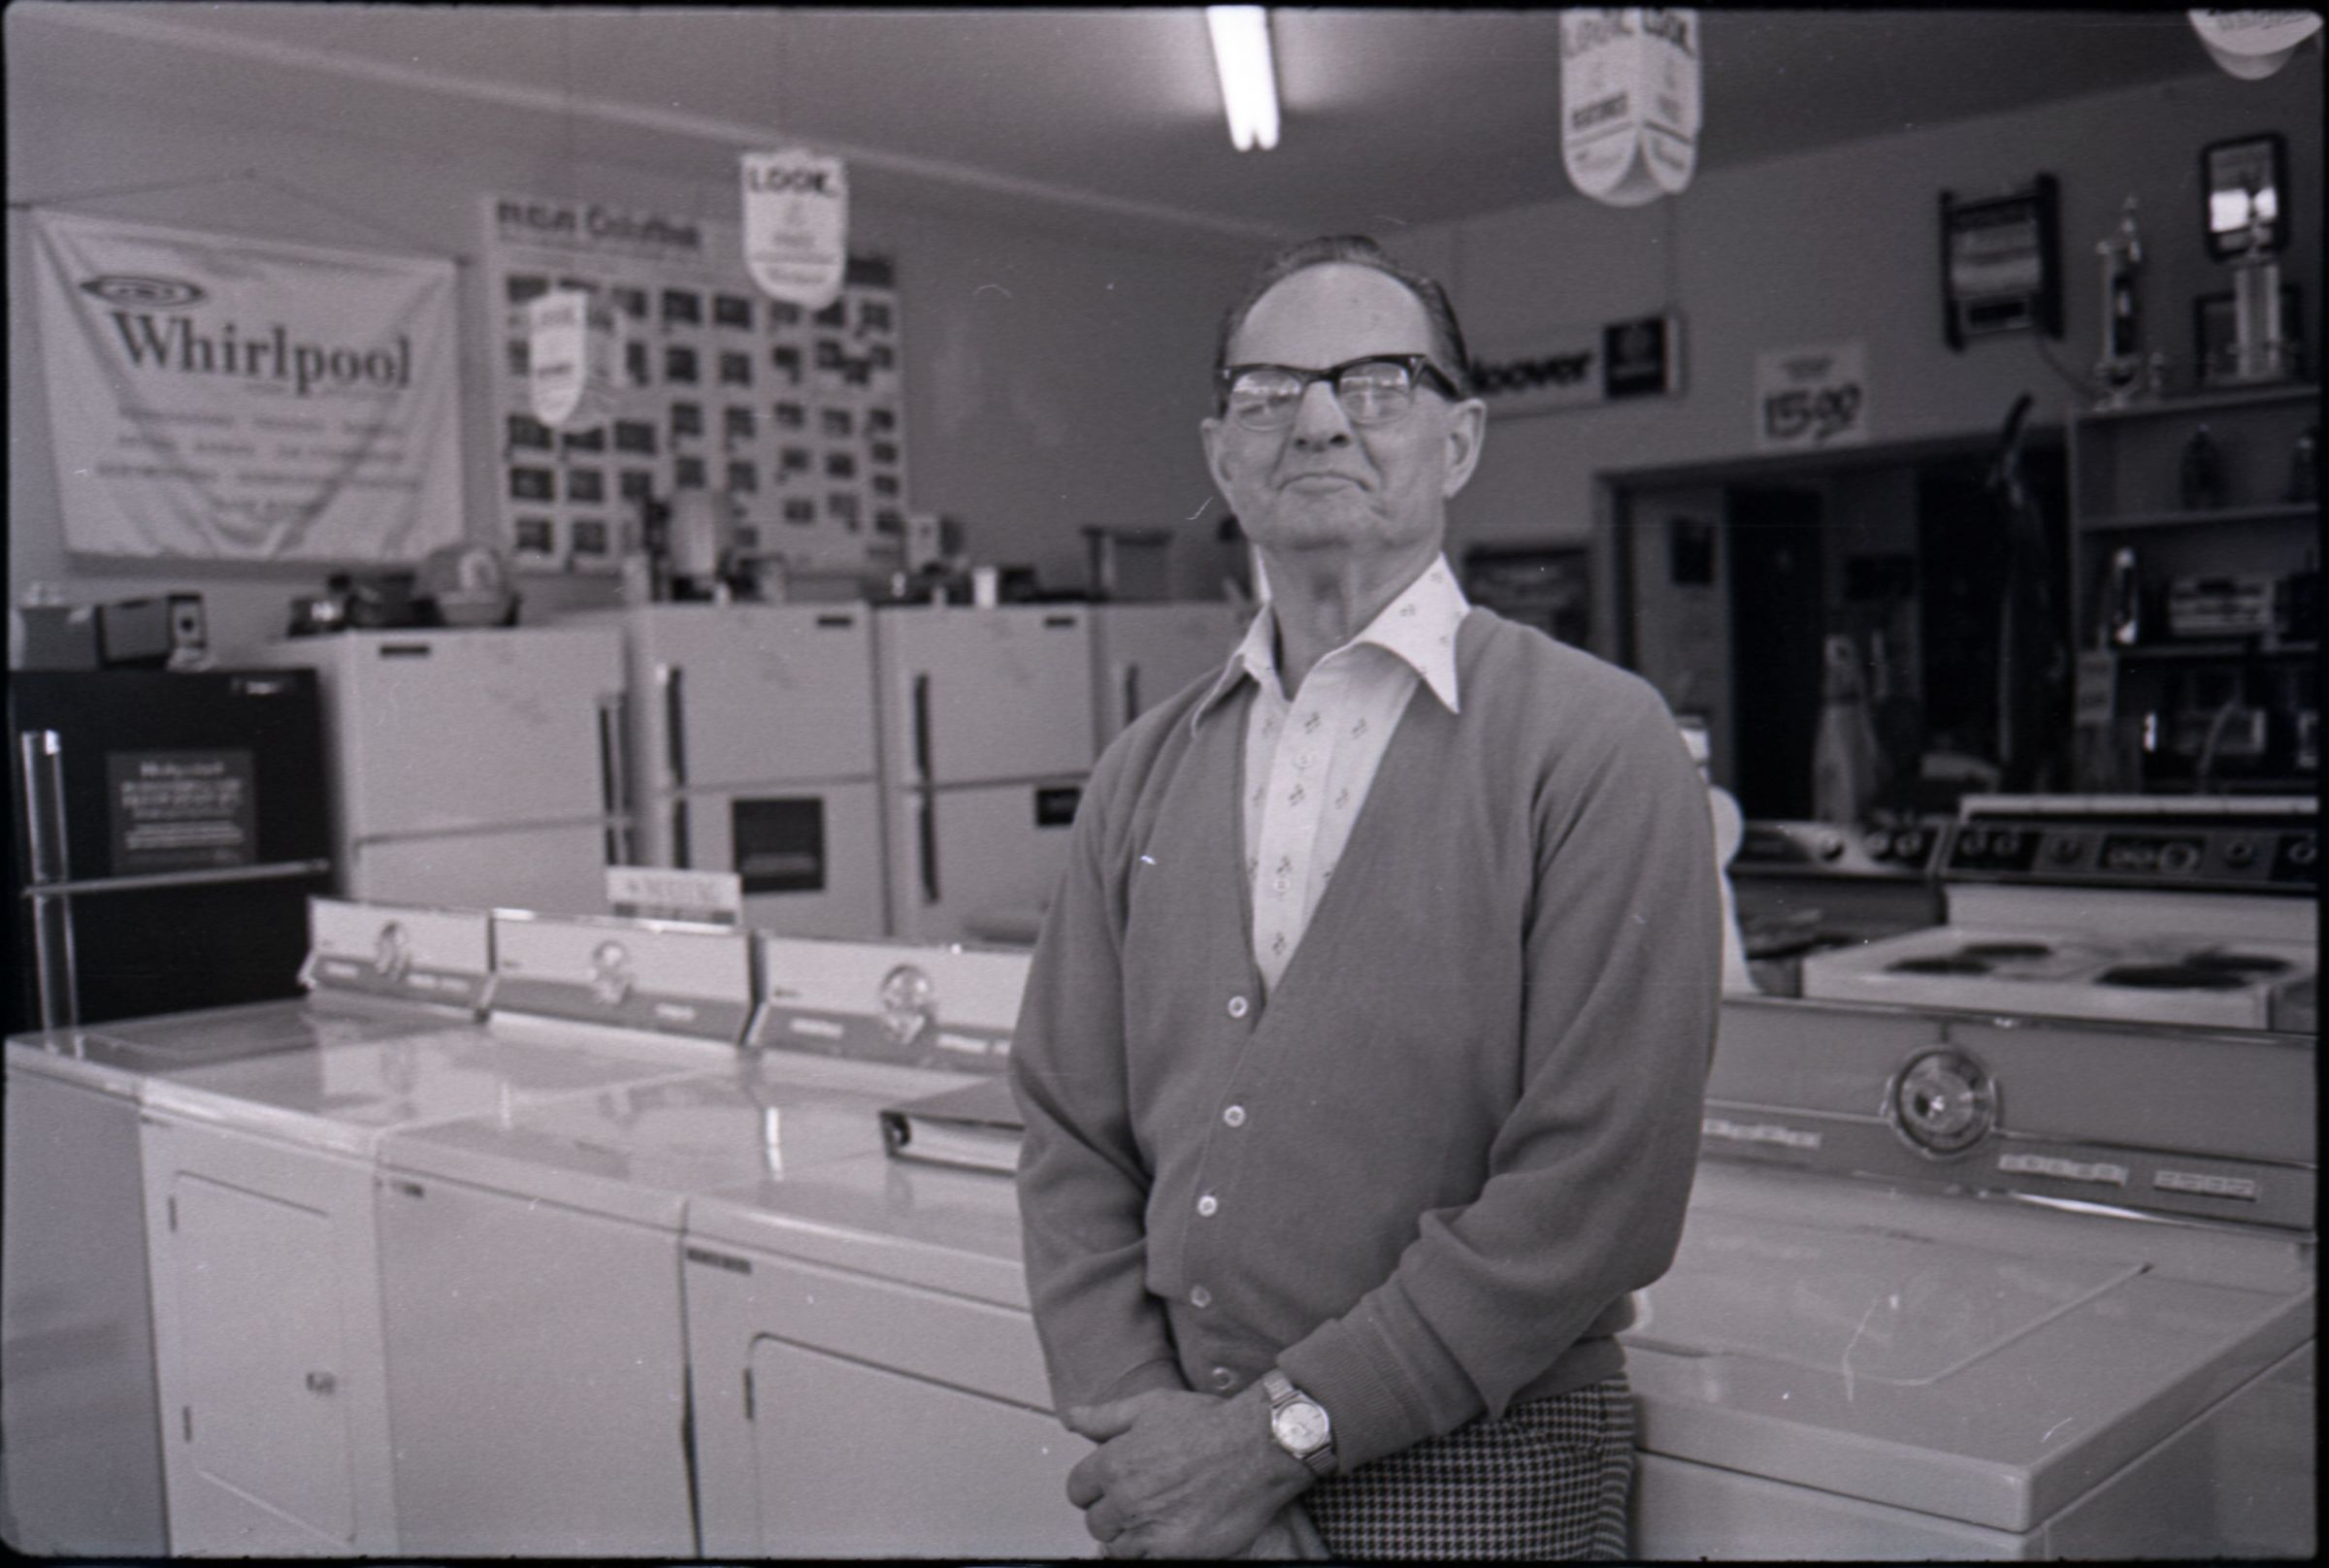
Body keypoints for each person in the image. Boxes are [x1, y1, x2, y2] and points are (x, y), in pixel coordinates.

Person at [1009, 234, 1722, 1560]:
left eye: (1378, 383)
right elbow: (1069, 1134)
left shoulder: (1596, 742)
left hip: (1483, 1462)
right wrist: (1162, 1437)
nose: (1322, 420)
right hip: (1182, 1474)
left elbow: (1598, 1189)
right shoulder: (1142, 771)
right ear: (1224, 458)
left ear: (1459, 442)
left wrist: (1269, 1443)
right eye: (1270, 393)